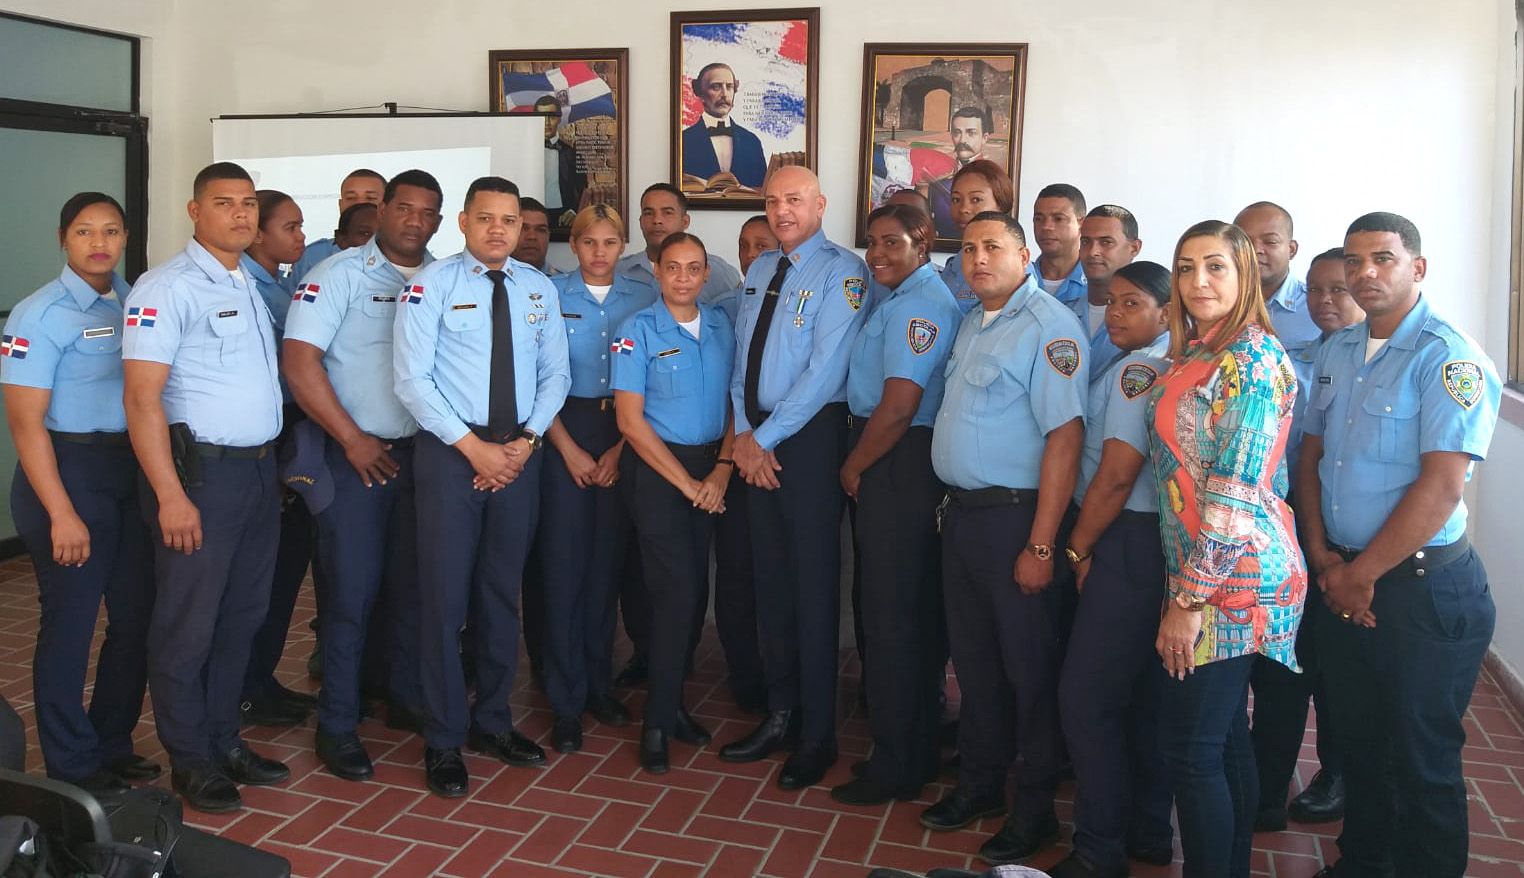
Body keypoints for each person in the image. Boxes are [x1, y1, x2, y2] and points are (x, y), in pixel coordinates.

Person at [1300, 213, 1500, 878]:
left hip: (1421, 592)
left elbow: (1442, 488)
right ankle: (1361, 864)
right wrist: (1326, 558)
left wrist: (1362, 576)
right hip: (1343, 575)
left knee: (1423, 761)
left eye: (1383, 258)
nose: (1364, 274)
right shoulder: (1337, 349)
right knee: (1360, 746)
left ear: (1417, 268)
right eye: (1355, 261)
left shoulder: (1450, 357)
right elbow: (1311, 455)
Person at [394, 175, 570, 798]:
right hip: (450, 455)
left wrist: (524, 444)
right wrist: (474, 449)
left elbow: (556, 374)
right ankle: (443, 737)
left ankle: (492, 720)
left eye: (511, 221)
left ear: (522, 229)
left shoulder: (539, 289)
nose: (499, 230)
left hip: (519, 456)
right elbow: (412, 382)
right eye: (487, 218)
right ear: (464, 223)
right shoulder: (428, 286)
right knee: (444, 599)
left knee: (501, 592)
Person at [122, 162, 289, 813]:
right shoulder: (164, 288)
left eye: (248, 204)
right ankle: (190, 758)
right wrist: (169, 494)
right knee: (187, 627)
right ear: (195, 211)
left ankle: (225, 742)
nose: (241, 215)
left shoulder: (248, 279)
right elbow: (141, 400)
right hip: (199, 479)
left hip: (255, 473)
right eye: (225, 203)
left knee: (240, 620)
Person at [920, 212, 1084, 866]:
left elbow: (1065, 439)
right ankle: (982, 786)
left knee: (1029, 670)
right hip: (963, 518)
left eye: (993, 247)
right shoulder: (972, 321)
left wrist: (1042, 545)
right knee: (976, 664)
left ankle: (1036, 810)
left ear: (1024, 254)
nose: (978, 258)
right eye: (969, 248)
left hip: (1018, 522)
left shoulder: (1049, 329)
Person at [1149, 220, 1305, 878]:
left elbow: (1238, 493)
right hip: (1207, 571)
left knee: (1190, 749)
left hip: (1229, 582)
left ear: (1246, 275)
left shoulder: (1252, 359)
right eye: (1186, 268)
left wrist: (1187, 600)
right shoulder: (1203, 352)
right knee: (1223, 739)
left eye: (1215, 267)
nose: (1197, 281)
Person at [282, 169, 444, 781]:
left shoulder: (444, 277)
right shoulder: (337, 275)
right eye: (404, 208)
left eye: (428, 212)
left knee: (411, 587)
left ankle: (402, 697)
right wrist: (351, 439)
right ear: (383, 211)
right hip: (353, 460)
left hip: (424, 458)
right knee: (349, 595)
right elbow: (300, 365)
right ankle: (337, 724)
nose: (415, 221)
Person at [718, 166, 872, 791]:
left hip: (804, 443)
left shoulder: (844, 272)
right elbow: (740, 365)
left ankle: (817, 735)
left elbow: (824, 372)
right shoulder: (759, 269)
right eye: (773, 200)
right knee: (771, 582)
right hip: (756, 437)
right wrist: (742, 433)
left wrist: (764, 439)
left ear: (819, 204)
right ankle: (780, 713)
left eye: (794, 200)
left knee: (812, 589)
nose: (782, 211)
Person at [2, 192, 157, 794]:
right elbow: (24, 424)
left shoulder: (134, 300)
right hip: (67, 472)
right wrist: (61, 512)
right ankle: (70, 765)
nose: (100, 243)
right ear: (62, 239)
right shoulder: (37, 315)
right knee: (70, 622)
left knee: (136, 615)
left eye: (111, 231)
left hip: (129, 469)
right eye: (86, 232)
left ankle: (111, 742)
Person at [829, 204, 961, 806]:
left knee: (893, 614)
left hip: (896, 457)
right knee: (898, 609)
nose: (877, 253)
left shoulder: (921, 306)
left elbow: (901, 404)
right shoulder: (897, 294)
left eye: (892, 242)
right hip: (889, 452)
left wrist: (855, 464)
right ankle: (908, 743)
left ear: (923, 240)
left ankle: (899, 763)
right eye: (872, 243)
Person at [1048, 261, 1175, 878]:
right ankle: (1147, 827)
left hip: (1121, 540)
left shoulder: (1138, 370)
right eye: (1113, 303)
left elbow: (1117, 474)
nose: (1115, 313)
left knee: (1087, 697)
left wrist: (1076, 548)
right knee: (1139, 696)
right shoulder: (1152, 362)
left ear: (1166, 314)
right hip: (1145, 543)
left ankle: (1098, 851)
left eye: (1133, 304)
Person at [612, 231, 734, 773]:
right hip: (661, 475)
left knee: (692, 593)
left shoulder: (723, 327)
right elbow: (630, 422)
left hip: (712, 469)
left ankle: (673, 704)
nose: (683, 277)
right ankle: (657, 721)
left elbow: (737, 404)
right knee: (676, 595)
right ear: (656, 273)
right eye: (673, 268)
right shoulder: (635, 330)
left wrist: (723, 471)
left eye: (694, 268)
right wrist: (689, 485)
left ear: (707, 275)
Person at [1251, 247, 1361, 831]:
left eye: (1337, 291)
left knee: (1332, 672)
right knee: (1286, 667)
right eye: (1316, 291)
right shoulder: (1303, 357)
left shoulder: (1377, 362)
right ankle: (1265, 790)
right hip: (1289, 525)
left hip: (1345, 541)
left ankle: (1337, 773)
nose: (1323, 301)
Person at [538, 205, 654, 754]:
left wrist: (617, 450)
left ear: (623, 243)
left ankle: (599, 686)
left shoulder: (643, 294)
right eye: (589, 243)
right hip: (562, 428)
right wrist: (568, 449)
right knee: (563, 571)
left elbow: (649, 382)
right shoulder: (548, 295)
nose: (600, 253)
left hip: (623, 432)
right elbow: (538, 382)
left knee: (606, 571)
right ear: (574, 244)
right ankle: (565, 701)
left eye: (611, 242)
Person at [237, 189, 318, 729]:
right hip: (263, 439)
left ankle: (260, 681)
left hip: (291, 435)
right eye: (289, 227)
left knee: (284, 572)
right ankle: (241, 689)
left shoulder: (283, 285)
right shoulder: (245, 288)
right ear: (258, 233)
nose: (301, 238)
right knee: (254, 581)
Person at [704, 215, 776, 717]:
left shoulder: (800, 303)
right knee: (732, 573)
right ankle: (744, 673)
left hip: (772, 453)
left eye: (763, 245)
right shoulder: (722, 308)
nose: (752, 256)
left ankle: (779, 674)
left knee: (771, 572)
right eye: (744, 246)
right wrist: (731, 456)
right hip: (729, 454)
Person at [618, 184, 741, 300]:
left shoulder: (718, 272)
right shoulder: (619, 271)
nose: (657, 220)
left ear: (685, 222)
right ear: (641, 221)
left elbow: (740, 316)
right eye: (649, 213)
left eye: (667, 213)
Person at [1235, 201, 1319, 345]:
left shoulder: (1318, 307)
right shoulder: (1219, 304)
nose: (1255, 250)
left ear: (1291, 250)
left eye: (1270, 242)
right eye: (1246, 241)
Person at [940, 160, 1014, 314]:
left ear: (1001, 205)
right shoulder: (951, 267)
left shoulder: (1017, 269)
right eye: (956, 200)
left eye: (976, 200)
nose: (964, 209)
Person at [290, 169, 386, 284]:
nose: (359, 204)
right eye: (350, 198)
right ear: (340, 205)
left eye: (370, 198)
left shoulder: (402, 253)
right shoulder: (312, 256)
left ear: (386, 206)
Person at [680, 63, 767, 188]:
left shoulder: (752, 142)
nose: (724, 94)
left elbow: (762, 192)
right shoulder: (684, 141)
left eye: (729, 87)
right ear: (701, 94)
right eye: (716, 87)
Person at [1077, 205, 1143, 367]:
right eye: (1085, 242)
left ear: (1134, 248)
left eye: (1106, 242)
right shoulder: (1060, 314)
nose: (1093, 252)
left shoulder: (1150, 322)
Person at [928, 106, 994, 239]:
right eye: (957, 133)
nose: (963, 140)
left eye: (971, 133)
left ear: (984, 138)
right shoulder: (938, 181)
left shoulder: (993, 181)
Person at [1027, 184, 1089, 327]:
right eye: (1039, 219)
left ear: (1081, 224)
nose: (1046, 226)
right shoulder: (1019, 280)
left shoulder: (1096, 285)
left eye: (1058, 219)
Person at [513, 196, 561, 277]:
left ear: (548, 236)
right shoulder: (491, 281)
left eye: (540, 230)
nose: (532, 236)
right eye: (523, 228)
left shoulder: (564, 285)